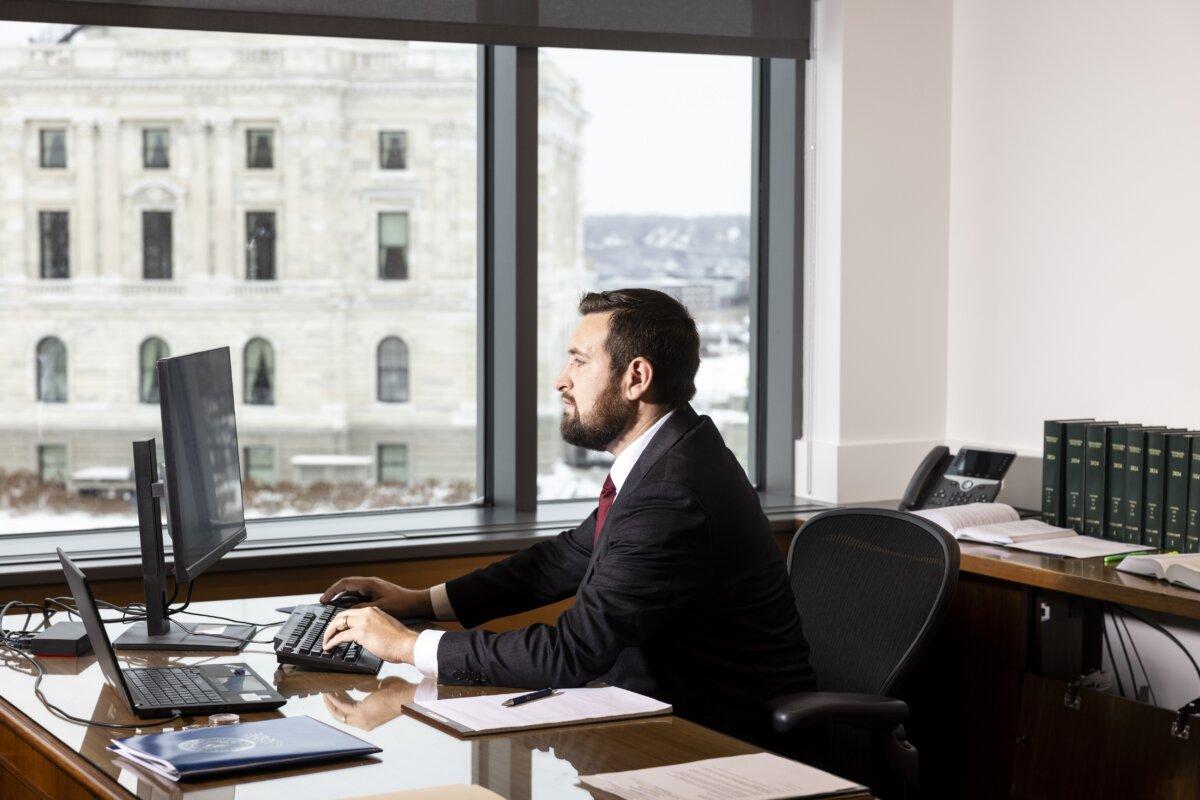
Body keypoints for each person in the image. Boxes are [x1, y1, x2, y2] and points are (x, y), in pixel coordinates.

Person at [320, 288, 815, 745]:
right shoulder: (671, 453)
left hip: (709, 744)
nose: (562, 380)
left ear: (635, 378)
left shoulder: (672, 492)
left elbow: (572, 653)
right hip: (647, 716)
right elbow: (562, 559)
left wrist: (408, 646)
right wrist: (419, 600)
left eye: (579, 361)